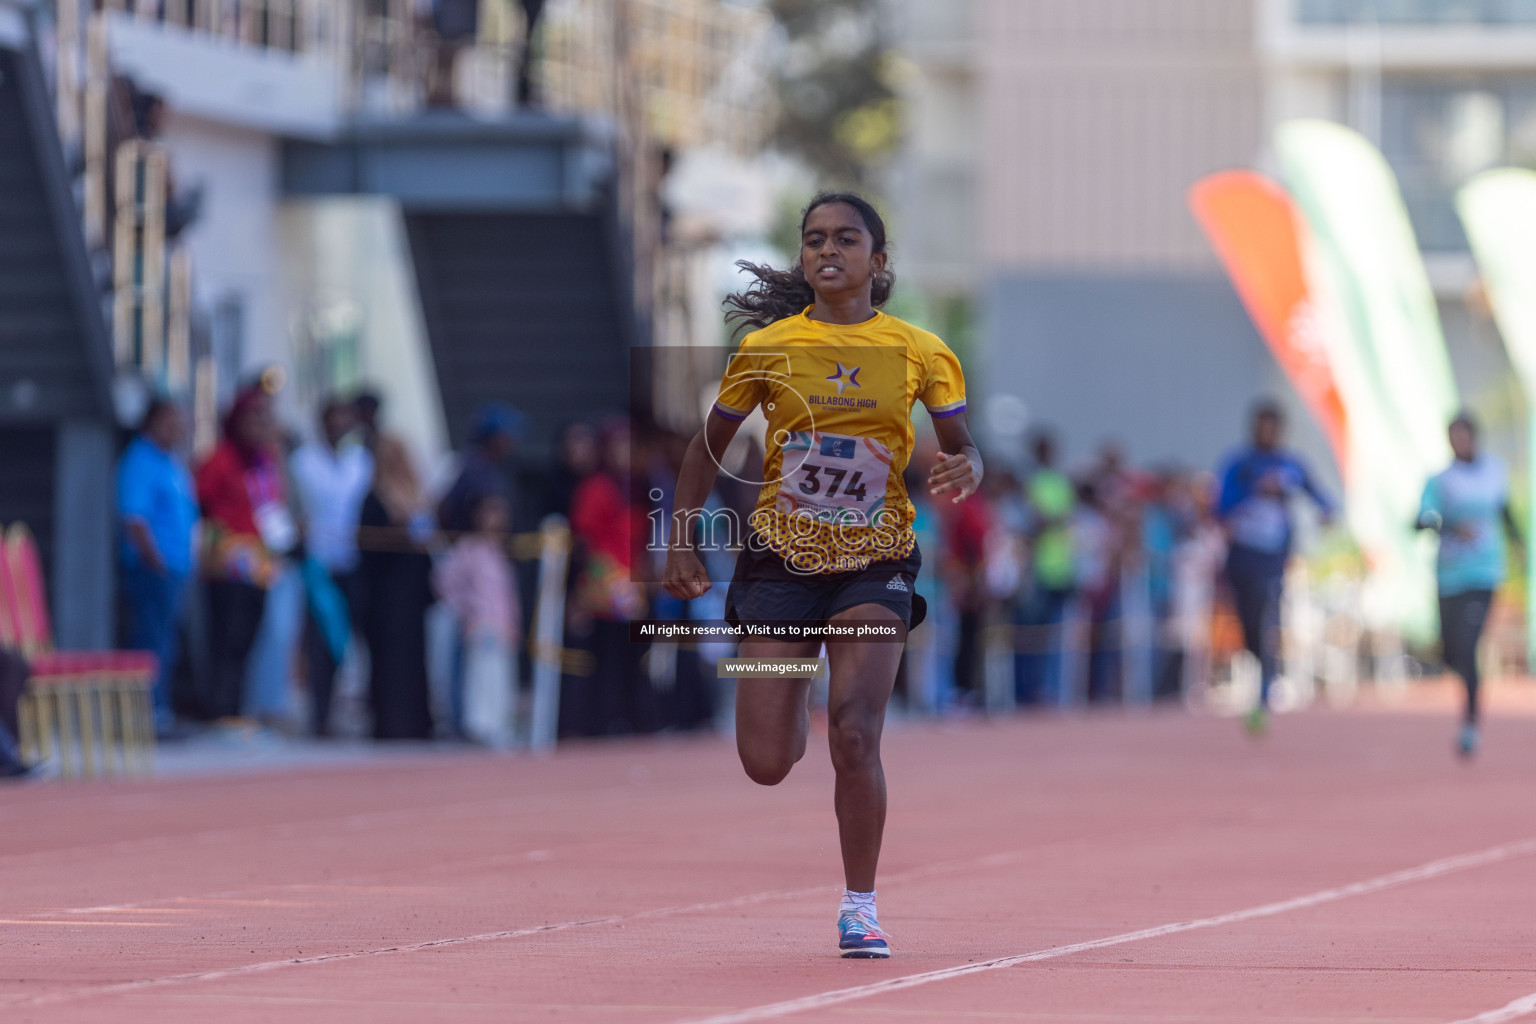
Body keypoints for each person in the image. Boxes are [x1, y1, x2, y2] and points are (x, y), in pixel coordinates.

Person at [663, 192, 981, 958]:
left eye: (844, 238)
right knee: (766, 762)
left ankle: (860, 907)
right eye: (813, 240)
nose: (826, 250)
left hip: (875, 562)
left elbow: (962, 445)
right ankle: (790, 691)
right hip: (779, 562)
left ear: (878, 260)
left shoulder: (922, 350)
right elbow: (709, 447)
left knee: (855, 734)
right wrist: (681, 537)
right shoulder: (769, 348)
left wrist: (966, 466)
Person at [1216, 400, 1334, 735]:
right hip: (1242, 554)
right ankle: (1258, 665)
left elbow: (1320, 496)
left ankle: (1266, 686)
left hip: (1273, 556)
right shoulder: (1239, 464)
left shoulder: (1290, 465)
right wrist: (1255, 489)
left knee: (1269, 614)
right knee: (1248, 620)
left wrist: (1326, 513)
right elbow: (1220, 505)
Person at [1416, 413, 1518, 758]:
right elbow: (1420, 519)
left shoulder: (1494, 471)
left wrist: (1518, 545)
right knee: (1451, 651)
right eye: (1453, 437)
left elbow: (1505, 513)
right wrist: (1445, 524)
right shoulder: (1440, 480)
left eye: (1465, 435)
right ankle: (1466, 689)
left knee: (1469, 643)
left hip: (1485, 572)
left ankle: (1470, 723)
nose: (1460, 442)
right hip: (1449, 575)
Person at [196, 386, 293, 722]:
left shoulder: (265, 462)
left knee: (251, 636)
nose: (259, 427)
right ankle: (220, 709)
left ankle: (238, 708)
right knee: (228, 637)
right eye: (253, 419)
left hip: (260, 562)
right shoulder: (219, 459)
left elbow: (276, 507)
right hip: (228, 564)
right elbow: (203, 508)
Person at [290, 396, 374, 736]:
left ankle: (348, 709)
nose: (340, 425)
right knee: (319, 642)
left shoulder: (362, 461)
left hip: (353, 560)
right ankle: (319, 714)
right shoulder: (302, 462)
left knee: (350, 640)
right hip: (318, 564)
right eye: (334, 417)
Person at [116, 398, 198, 737]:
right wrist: (157, 561)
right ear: (151, 422)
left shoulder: (171, 462)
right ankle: (145, 717)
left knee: (166, 643)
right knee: (150, 643)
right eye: (170, 420)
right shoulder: (141, 460)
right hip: (152, 570)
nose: (178, 427)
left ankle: (159, 712)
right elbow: (134, 519)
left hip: (174, 569)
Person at [356, 437, 436, 740]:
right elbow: (367, 548)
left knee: (415, 659)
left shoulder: (417, 496)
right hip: (386, 594)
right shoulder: (374, 498)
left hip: (413, 591)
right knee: (388, 661)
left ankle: (417, 722)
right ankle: (391, 723)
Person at [434, 494, 520, 746]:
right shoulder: (469, 548)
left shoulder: (499, 552)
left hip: (502, 627)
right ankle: (480, 725)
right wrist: (465, 608)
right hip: (482, 626)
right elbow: (444, 580)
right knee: (482, 676)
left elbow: (507, 596)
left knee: (500, 676)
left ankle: (498, 723)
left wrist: (514, 624)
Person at [1017, 430, 1075, 705]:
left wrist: (1051, 520)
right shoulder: (1030, 481)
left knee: (1054, 635)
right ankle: (1029, 691)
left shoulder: (1060, 481)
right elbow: (1036, 521)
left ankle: (1050, 690)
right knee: (1031, 634)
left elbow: (1061, 519)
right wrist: (1054, 520)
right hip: (1036, 568)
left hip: (1059, 567)